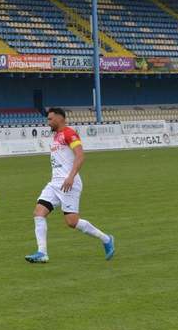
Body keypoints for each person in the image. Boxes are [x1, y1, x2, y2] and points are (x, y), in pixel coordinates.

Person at [26, 107, 115, 263]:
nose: (48, 122)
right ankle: (42, 253)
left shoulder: (69, 133)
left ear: (60, 118)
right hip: (55, 183)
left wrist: (71, 177)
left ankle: (106, 239)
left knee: (72, 222)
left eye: (50, 119)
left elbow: (80, 156)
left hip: (68, 183)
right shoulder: (56, 136)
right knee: (38, 213)